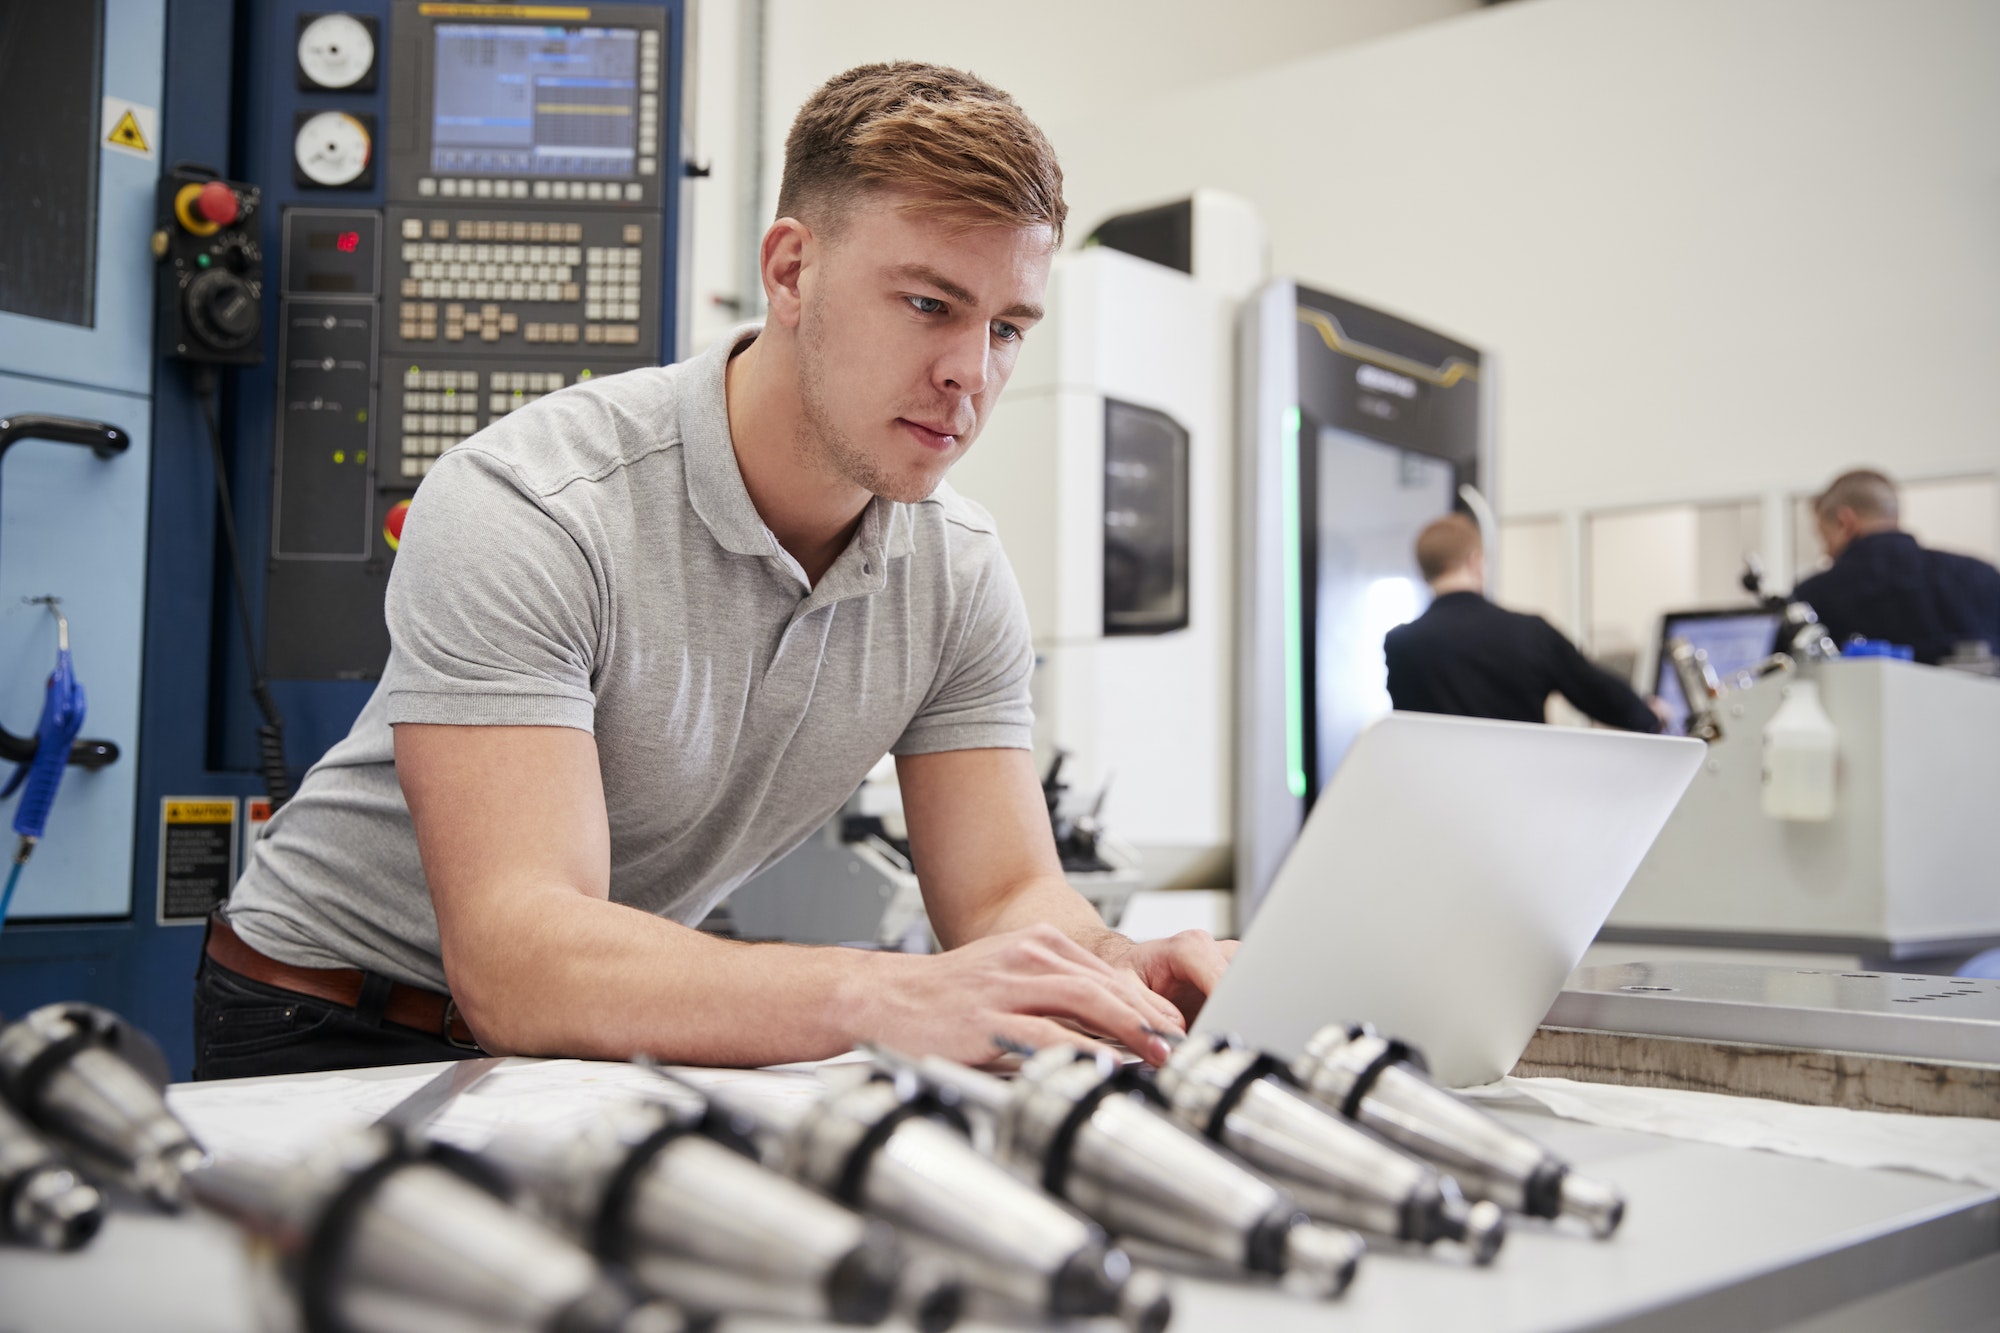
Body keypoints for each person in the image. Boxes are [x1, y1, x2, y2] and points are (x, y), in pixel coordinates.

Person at [196, 62, 1232, 1081]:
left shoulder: (955, 571)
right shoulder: (536, 500)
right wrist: (880, 995)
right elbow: (520, 957)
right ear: (790, 271)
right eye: (927, 304)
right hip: (329, 1013)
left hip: (587, 1030)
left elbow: (1007, 895)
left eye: (1006, 328)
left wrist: (1114, 969)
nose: (970, 371)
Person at [1384, 514, 1662, 732]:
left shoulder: (1399, 645)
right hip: (1522, 794)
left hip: (1438, 796)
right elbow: (1596, 692)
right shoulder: (1530, 633)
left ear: (1424, 572)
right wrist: (1649, 714)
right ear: (1476, 561)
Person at [1792, 468, 2000, 664]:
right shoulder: (1982, 576)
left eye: (1824, 537)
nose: (1825, 552)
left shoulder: (1813, 598)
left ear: (1845, 521)